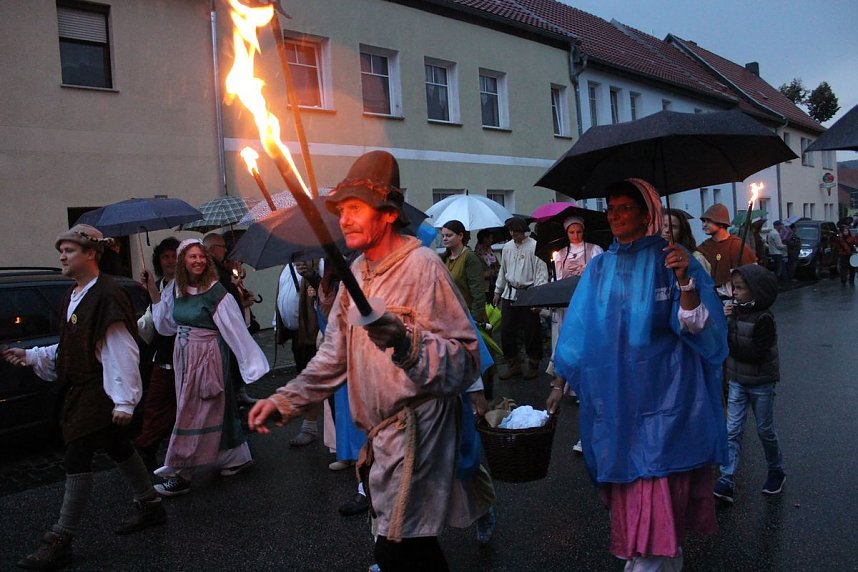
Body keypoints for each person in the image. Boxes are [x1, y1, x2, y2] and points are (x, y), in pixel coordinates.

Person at [248, 151, 493, 570]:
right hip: (379, 437)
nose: (344, 220)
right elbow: (332, 357)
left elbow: (467, 361)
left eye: (356, 209)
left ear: (388, 214)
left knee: (399, 546)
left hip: (420, 430)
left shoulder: (423, 268)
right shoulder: (356, 272)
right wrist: (286, 400)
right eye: (342, 210)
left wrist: (407, 341)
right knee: (407, 548)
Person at [547, 179, 728, 571]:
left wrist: (684, 280)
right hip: (619, 399)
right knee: (633, 480)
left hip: (669, 397)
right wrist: (559, 382)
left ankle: (652, 559)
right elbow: (580, 332)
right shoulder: (601, 268)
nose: (614, 214)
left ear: (648, 215)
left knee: (658, 481)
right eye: (610, 207)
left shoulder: (674, 259)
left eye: (625, 207)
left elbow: (698, 327)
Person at [2, 224, 167, 570]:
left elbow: (121, 349)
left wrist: (124, 400)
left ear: (91, 254)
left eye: (69, 250)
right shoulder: (73, 294)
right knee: (118, 446)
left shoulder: (106, 294)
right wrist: (32, 356)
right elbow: (72, 344)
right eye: (61, 250)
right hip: (82, 390)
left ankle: (61, 537)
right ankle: (150, 504)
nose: (62, 255)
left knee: (76, 454)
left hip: (99, 390)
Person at [148, 238, 269, 496]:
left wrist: (251, 364)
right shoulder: (176, 290)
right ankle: (235, 457)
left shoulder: (215, 292)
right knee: (210, 409)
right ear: (183, 262)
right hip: (184, 357)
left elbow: (236, 329)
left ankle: (182, 472)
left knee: (195, 410)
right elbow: (165, 326)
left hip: (207, 357)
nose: (198, 260)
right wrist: (154, 293)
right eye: (192, 257)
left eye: (202, 256)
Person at [714, 265, 786, 503]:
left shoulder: (764, 318)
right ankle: (727, 478)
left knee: (765, 430)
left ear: (756, 291)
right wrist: (726, 322)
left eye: (741, 288)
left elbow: (754, 353)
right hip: (737, 381)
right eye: (734, 287)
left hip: (761, 383)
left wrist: (729, 331)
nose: (734, 292)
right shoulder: (735, 312)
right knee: (732, 429)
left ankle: (776, 470)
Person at [547, 216, 603, 453]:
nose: (576, 236)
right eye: (572, 233)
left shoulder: (596, 250)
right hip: (568, 305)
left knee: (587, 346)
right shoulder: (560, 254)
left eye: (579, 232)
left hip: (589, 304)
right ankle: (567, 380)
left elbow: (600, 276)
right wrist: (566, 273)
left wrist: (585, 272)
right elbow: (557, 281)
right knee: (569, 343)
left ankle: (581, 385)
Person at [135, 237, 180, 472]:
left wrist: (152, 290)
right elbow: (151, 320)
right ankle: (148, 448)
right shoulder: (163, 284)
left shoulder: (183, 286)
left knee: (174, 408)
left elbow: (168, 323)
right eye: (165, 257)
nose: (170, 261)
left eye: (174, 256)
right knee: (156, 405)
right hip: (162, 357)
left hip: (179, 356)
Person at [493, 216, 548, 380]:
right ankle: (513, 364)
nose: (513, 235)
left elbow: (541, 273)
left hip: (528, 293)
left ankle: (533, 363)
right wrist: (497, 291)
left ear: (524, 232)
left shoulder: (535, 247)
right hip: (510, 293)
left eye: (516, 232)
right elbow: (503, 270)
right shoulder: (507, 247)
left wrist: (538, 298)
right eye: (511, 232)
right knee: (507, 330)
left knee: (531, 330)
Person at [274, 260, 322, 446]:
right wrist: (278, 324)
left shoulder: (317, 263)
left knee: (313, 380)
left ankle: (309, 426)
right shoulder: (285, 267)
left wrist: (314, 284)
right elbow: (281, 295)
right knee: (304, 376)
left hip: (312, 333)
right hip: (296, 333)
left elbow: (328, 290)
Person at [697, 203, 757, 293]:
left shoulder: (737, 245)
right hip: (711, 296)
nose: (704, 225)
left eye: (708, 221)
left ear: (721, 224)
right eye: (703, 221)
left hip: (734, 296)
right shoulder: (704, 247)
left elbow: (753, 273)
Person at [662, 209, 711, 276]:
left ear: (682, 231)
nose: (667, 230)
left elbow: (706, 285)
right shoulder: (655, 256)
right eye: (664, 225)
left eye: (673, 227)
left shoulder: (696, 258)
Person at [474, 228, 500, 299]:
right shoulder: (477, 254)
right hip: (485, 286)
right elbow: (478, 273)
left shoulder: (490, 251)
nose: (492, 240)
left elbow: (497, 265)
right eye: (490, 238)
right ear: (485, 239)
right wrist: (491, 272)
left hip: (494, 283)